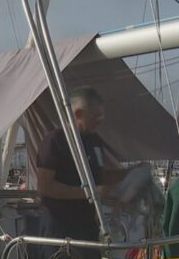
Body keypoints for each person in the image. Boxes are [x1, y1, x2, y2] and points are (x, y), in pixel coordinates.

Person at [36, 86, 129, 243]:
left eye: (101, 116)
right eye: (95, 116)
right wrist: (90, 193)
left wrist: (130, 173)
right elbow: (45, 187)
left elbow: (100, 174)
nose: (100, 120)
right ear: (78, 114)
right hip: (59, 227)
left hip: (87, 225)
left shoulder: (94, 141)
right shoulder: (55, 141)